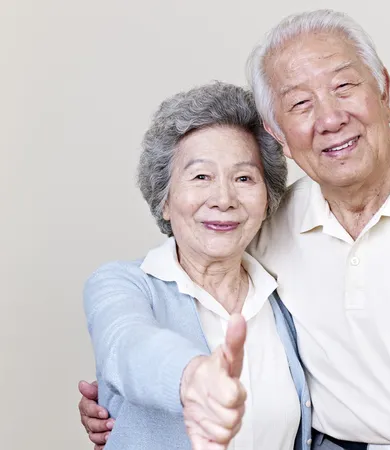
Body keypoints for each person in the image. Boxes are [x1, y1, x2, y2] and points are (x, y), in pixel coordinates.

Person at [79, 9, 390, 450]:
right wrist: (146, 391)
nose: (329, 118)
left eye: (344, 86)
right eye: (300, 103)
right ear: (279, 133)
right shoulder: (254, 229)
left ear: (383, 89)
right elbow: (132, 335)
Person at [81, 81, 312, 450]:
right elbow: (125, 346)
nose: (223, 198)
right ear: (165, 201)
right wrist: (193, 377)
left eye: (244, 178)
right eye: (201, 176)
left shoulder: (284, 299)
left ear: (267, 200)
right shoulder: (122, 284)